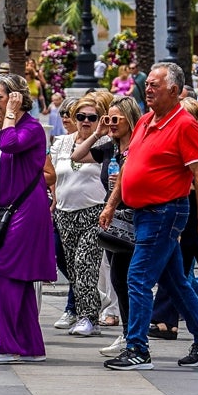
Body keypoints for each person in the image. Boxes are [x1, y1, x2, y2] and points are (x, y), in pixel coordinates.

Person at [99, 61, 198, 370]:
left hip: (164, 212)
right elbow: (130, 165)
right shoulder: (145, 121)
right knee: (175, 281)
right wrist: (113, 202)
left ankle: (138, 349)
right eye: (149, 84)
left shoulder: (185, 125)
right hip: (144, 213)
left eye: (156, 84)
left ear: (175, 90)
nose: (149, 88)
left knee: (138, 277)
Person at [0, 74, 57, 363]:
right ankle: (31, 346)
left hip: (26, 210)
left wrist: (10, 114)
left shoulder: (31, 128)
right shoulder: (15, 128)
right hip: (12, 210)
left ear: (15, 97)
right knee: (18, 280)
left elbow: (10, 144)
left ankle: (8, 344)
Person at [150, 98, 198, 342]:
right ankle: (165, 320)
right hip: (182, 215)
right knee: (173, 270)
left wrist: (179, 180)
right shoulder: (175, 144)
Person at [70, 95, 141, 357]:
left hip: (136, 220)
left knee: (140, 280)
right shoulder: (109, 148)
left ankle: (136, 335)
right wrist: (98, 132)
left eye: (115, 119)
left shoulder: (138, 146)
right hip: (114, 222)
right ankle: (128, 333)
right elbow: (77, 156)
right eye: (107, 119)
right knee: (119, 278)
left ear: (129, 120)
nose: (110, 124)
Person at [51, 93, 110, 337]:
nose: (85, 121)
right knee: (73, 269)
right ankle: (91, 303)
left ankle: (89, 317)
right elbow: (52, 173)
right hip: (64, 212)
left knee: (85, 261)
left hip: (93, 211)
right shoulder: (61, 143)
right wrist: (53, 201)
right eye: (80, 116)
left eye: (91, 117)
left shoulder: (105, 143)